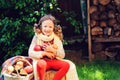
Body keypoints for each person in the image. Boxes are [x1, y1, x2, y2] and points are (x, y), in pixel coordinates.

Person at [28, 14, 79, 80]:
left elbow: (62, 54)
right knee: (41, 64)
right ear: (41, 27)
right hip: (42, 61)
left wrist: (52, 50)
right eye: (45, 26)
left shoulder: (56, 38)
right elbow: (30, 53)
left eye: (50, 27)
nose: (47, 29)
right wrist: (45, 53)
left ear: (53, 28)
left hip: (53, 61)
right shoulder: (36, 37)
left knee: (67, 65)